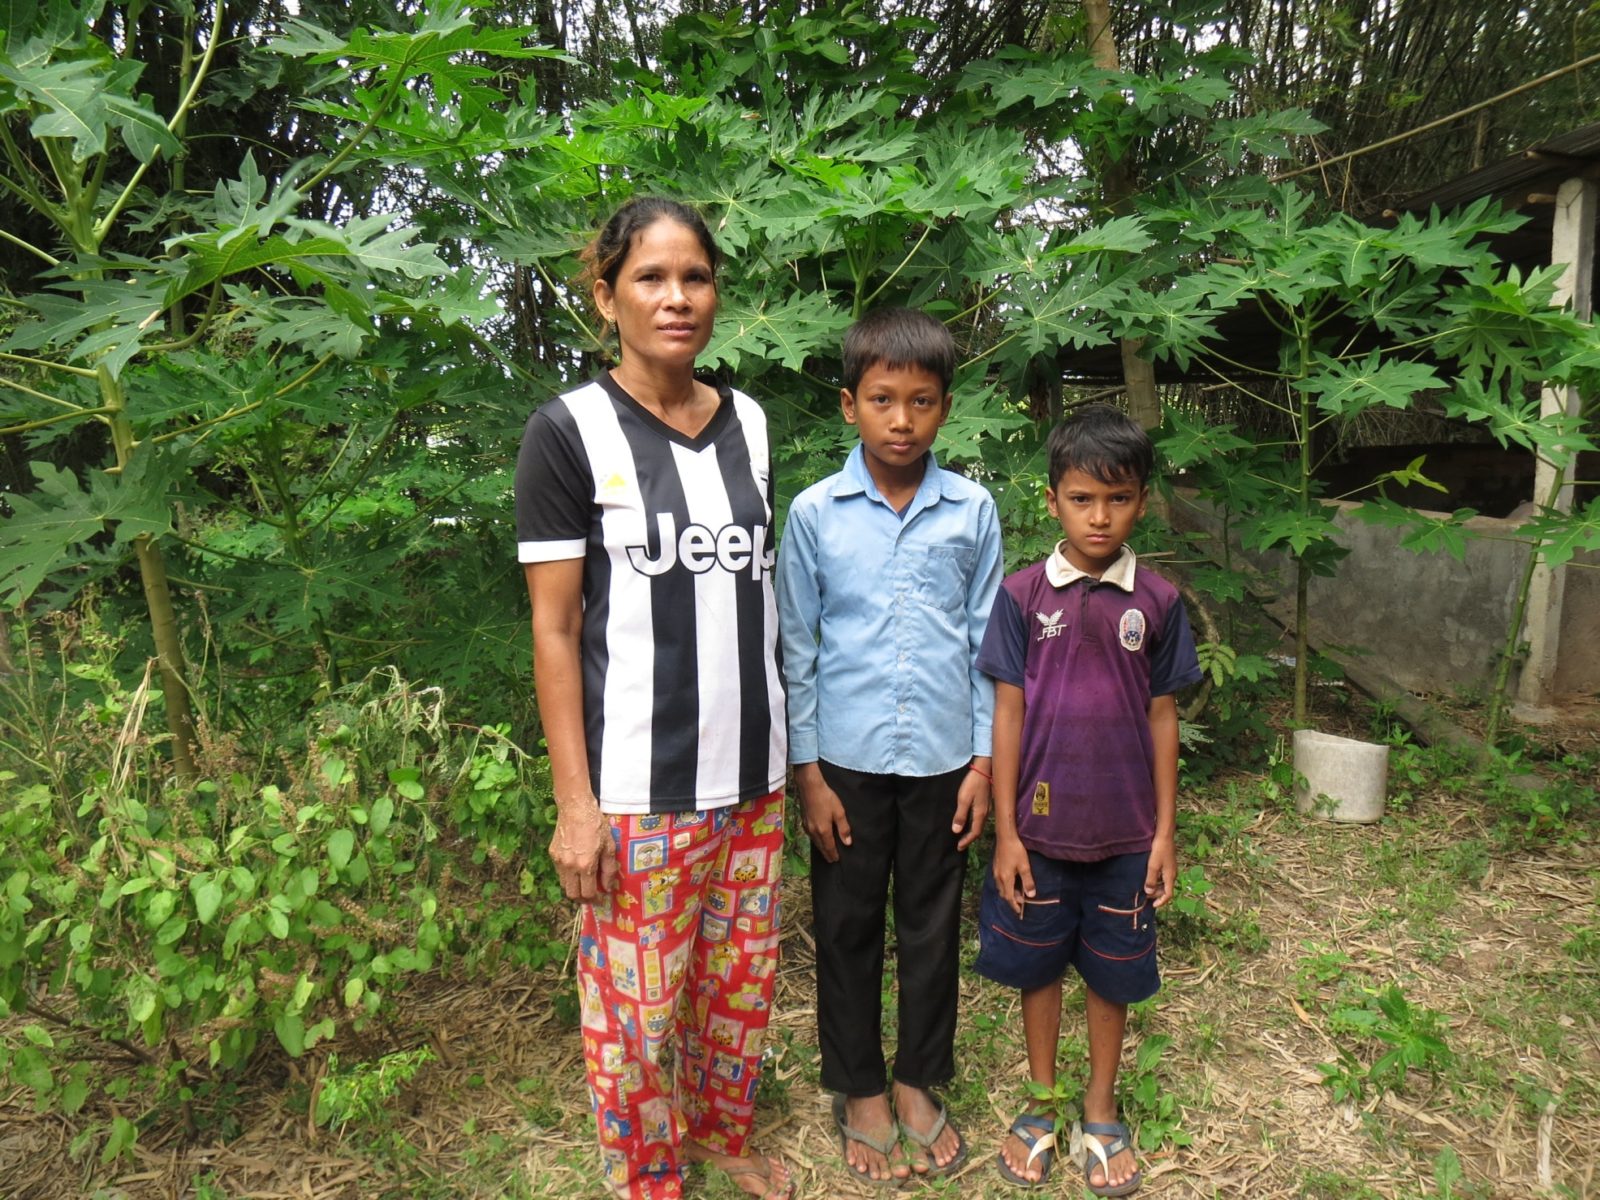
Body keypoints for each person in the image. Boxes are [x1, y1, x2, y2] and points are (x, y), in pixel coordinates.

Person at [514, 197, 793, 1200]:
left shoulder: (751, 423)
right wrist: (575, 807)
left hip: (754, 781)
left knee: (736, 990)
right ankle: (648, 1180)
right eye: (650, 278)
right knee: (633, 1024)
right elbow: (554, 629)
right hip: (637, 795)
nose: (677, 298)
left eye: (696, 277)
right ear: (606, 295)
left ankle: (723, 1136)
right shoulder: (569, 433)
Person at [776, 307, 1003, 1185]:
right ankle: (860, 1089)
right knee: (845, 924)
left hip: (946, 761)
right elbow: (798, 647)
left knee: (933, 925)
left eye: (921, 401)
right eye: (882, 400)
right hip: (845, 764)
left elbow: (990, 645)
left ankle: (917, 1082)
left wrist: (984, 766)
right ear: (848, 406)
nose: (901, 420)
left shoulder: (971, 511)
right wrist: (808, 774)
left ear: (946, 408)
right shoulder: (814, 514)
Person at [974, 403, 1202, 1197]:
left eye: (1117, 499)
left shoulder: (1160, 604)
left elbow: (1163, 715)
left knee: (1112, 972)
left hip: (1126, 833)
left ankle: (1100, 1109)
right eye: (1081, 498)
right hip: (1036, 830)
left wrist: (1165, 833)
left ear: (1141, 501)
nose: (1099, 516)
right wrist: (1005, 833)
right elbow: (1007, 712)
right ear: (1052, 501)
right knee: (1039, 968)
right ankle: (1041, 1103)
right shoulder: (1022, 595)